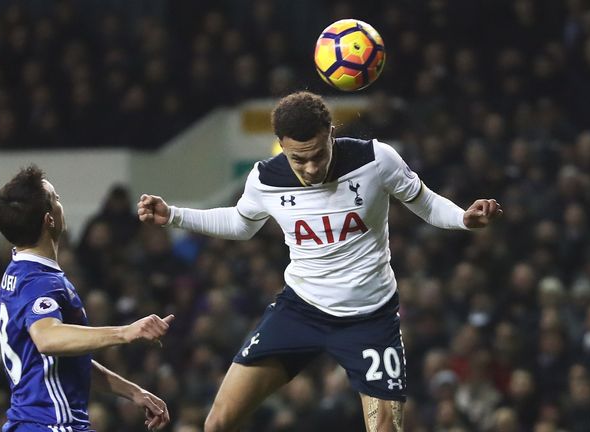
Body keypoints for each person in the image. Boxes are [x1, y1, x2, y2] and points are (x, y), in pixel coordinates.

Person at [138, 91, 502, 431]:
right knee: (217, 422)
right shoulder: (266, 178)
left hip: (370, 318)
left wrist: (462, 218)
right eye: (299, 158)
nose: (311, 168)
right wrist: (173, 215)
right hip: (300, 310)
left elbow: (425, 202)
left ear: (331, 133)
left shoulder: (376, 160)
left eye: (318, 155)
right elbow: (240, 223)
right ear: (282, 145)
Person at [0, 165, 174, 431]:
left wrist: (133, 392)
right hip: (52, 424)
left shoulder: (18, 271)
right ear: (48, 220)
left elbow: (66, 359)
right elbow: (48, 338)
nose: (60, 203)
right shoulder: (40, 282)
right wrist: (125, 332)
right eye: (56, 199)